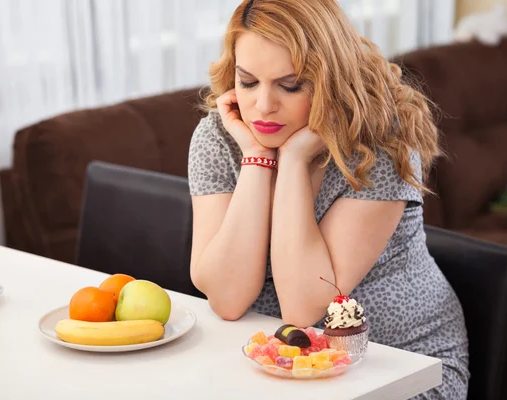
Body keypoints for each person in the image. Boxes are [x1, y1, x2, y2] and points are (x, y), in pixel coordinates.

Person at [187, 0, 469, 398]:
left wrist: (296, 159)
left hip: (399, 365)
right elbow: (228, 299)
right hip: (283, 366)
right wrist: (257, 156)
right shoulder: (221, 135)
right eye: (248, 82)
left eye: (291, 85)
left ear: (329, 80)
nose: (263, 106)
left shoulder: (381, 143)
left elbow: (304, 308)